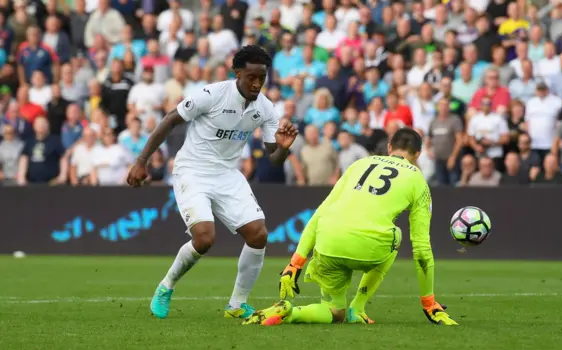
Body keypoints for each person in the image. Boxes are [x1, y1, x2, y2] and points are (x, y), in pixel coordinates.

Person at [126, 45, 298, 320]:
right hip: (192, 171)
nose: (256, 83)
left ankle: (237, 304)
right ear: (237, 73)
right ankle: (166, 285)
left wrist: (285, 147)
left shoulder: (266, 108)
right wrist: (142, 161)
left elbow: (274, 158)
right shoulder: (212, 94)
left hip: (228, 174)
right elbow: (171, 120)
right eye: (251, 77)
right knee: (205, 239)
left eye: (261, 79)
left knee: (259, 234)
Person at [243, 128, 457, 326]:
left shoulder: (360, 164)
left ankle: (291, 312)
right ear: (418, 155)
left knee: (334, 311)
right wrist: (428, 302)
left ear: (389, 147)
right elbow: (421, 248)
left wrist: (295, 264)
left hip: (328, 243)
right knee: (397, 235)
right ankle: (358, 307)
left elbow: (320, 212)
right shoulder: (418, 180)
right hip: (368, 247)